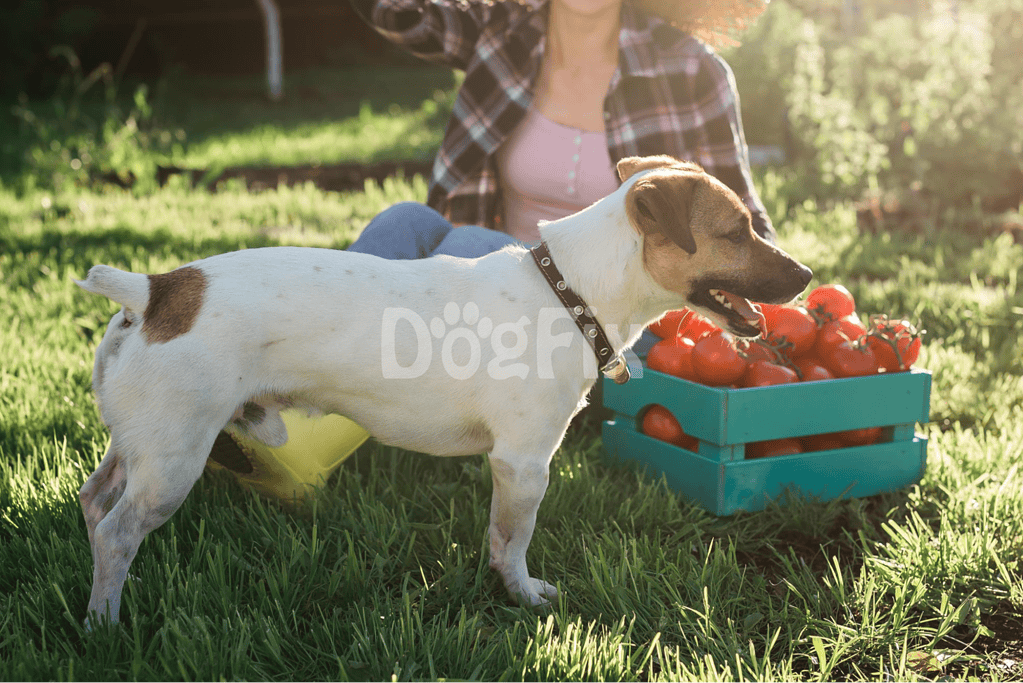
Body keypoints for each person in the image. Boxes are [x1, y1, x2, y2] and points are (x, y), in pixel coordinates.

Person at [346, 0, 774, 261]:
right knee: (402, 223)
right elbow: (395, 10)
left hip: (613, 314)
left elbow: (742, 219)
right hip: (493, 288)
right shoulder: (500, 33)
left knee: (467, 248)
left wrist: (786, 305)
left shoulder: (693, 71)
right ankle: (310, 385)